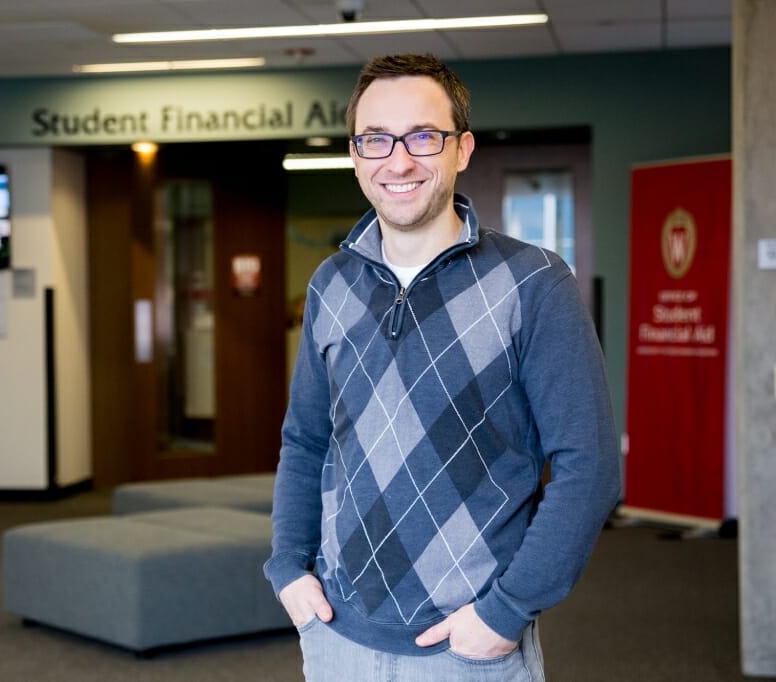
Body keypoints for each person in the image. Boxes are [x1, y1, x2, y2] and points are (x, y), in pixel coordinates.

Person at [264, 53, 621, 681]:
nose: (397, 160)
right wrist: (289, 567)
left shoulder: (533, 283)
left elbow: (588, 467)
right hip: (335, 637)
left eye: (423, 136)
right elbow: (306, 439)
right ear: (355, 152)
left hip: (469, 649)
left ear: (462, 150)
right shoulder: (331, 284)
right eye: (375, 138)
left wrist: (505, 615)